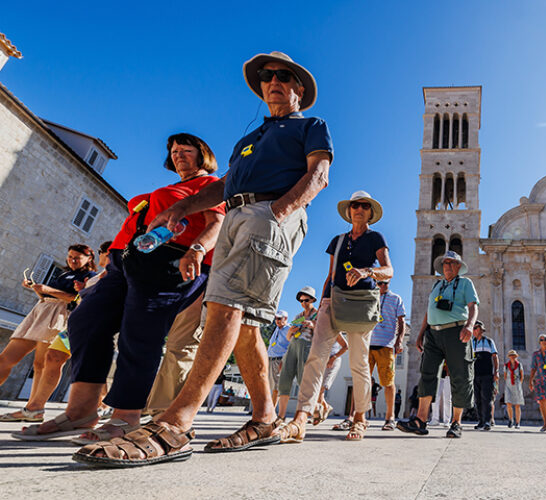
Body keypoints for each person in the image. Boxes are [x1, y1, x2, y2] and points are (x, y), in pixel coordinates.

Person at [72, 52, 332, 466]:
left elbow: (319, 175)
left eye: (284, 75)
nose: (274, 81)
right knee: (245, 323)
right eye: (267, 75)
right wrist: (182, 208)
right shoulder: (250, 139)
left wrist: (277, 212)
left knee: (225, 308)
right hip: (237, 214)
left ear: (298, 88)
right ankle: (265, 419)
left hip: (269, 212)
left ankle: (176, 423)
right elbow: (224, 185)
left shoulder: (310, 126)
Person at [16, 134, 224, 446]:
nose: (178, 154)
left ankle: (126, 417)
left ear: (203, 154)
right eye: (174, 151)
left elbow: (216, 223)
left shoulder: (208, 185)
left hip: (169, 260)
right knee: (85, 320)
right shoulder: (169, 187)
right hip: (123, 261)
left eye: (186, 150)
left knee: (140, 333)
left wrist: (197, 249)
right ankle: (81, 410)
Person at [277, 190, 393, 443]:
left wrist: (366, 272)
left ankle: (360, 417)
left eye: (364, 206)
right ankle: (301, 418)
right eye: (355, 205)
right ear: (349, 211)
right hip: (333, 301)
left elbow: (388, 270)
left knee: (359, 362)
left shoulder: (376, 238)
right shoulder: (338, 241)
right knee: (316, 357)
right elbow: (330, 275)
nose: (359, 209)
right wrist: (322, 305)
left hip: (361, 304)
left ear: (370, 212)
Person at [0, 244, 98, 422]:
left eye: (77, 257)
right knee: (6, 359)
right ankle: (33, 410)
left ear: (89, 258)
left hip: (60, 314)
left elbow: (77, 298)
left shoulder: (90, 276)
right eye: (70, 256)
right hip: (40, 310)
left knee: (42, 365)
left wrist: (47, 289)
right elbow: (50, 295)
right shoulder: (64, 274)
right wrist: (38, 289)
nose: (72, 260)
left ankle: (33, 409)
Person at [398, 250, 479, 439]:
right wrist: (420, 334)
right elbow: (429, 311)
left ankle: (456, 423)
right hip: (433, 334)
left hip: (456, 332)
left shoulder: (466, 283)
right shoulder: (437, 285)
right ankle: (420, 420)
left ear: (458, 266)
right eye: (445, 263)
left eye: (451, 263)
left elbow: (473, 306)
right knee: (427, 374)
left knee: (460, 375)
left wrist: (469, 325)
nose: (447, 266)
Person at [368, 279, 406, 430]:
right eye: (379, 283)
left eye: (386, 282)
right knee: (361, 381)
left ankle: (390, 418)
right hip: (367, 344)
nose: (383, 285)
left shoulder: (396, 299)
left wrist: (399, 341)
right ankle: (353, 416)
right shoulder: (369, 297)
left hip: (387, 345)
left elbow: (401, 322)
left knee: (388, 382)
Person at [275, 287, 318, 420]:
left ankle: (315, 408)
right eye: (301, 300)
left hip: (307, 346)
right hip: (293, 346)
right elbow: (289, 338)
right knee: (284, 380)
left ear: (313, 300)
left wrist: (313, 325)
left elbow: (322, 336)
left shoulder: (318, 315)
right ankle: (281, 416)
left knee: (302, 381)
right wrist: (291, 331)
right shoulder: (298, 316)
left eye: (306, 300)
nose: (303, 303)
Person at [314, 331, 347, 425]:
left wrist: (333, 359)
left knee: (322, 388)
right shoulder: (320, 330)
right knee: (318, 388)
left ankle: (318, 414)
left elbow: (346, 347)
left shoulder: (336, 331)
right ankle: (326, 407)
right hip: (321, 361)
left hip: (332, 361)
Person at [472, 321, 498, 431]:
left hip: (487, 374)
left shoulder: (489, 341)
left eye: (475, 328)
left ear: (480, 330)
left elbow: (495, 357)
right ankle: (481, 421)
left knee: (487, 398)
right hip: (475, 374)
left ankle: (487, 421)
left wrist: (496, 372)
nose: (473, 331)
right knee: (477, 399)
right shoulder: (471, 343)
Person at [266, 310, 290, 411]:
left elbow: (291, 346)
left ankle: (271, 411)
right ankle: (268, 409)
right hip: (270, 360)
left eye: (279, 318)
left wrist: (284, 361)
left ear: (285, 319)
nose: (277, 320)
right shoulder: (277, 329)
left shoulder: (288, 329)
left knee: (277, 387)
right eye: (276, 318)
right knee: (269, 386)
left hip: (279, 360)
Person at [503, 350, 524, 429]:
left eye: (514, 356)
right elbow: (505, 376)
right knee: (508, 403)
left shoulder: (519, 365)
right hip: (508, 385)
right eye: (511, 356)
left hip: (517, 385)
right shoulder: (506, 366)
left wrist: (519, 383)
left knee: (517, 405)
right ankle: (511, 419)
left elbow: (522, 376)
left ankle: (518, 422)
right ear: (509, 357)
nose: (512, 357)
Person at [430, 362, 451, 427]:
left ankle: (447, 421)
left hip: (448, 374)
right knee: (435, 397)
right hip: (437, 374)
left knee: (447, 398)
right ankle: (434, 419)